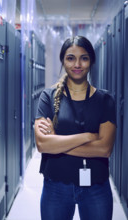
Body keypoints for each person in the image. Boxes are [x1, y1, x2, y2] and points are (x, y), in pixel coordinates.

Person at [34, 36, 116, 220]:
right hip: (56, 186)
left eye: (84, 58)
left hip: (96, 187)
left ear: (91, 61)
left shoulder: (105, 100)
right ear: (63, 61)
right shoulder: (47, 97)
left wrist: (57, 142)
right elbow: (42, 145)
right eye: (70, 58)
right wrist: (88, 136)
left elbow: (104, 149)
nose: (77, 64)